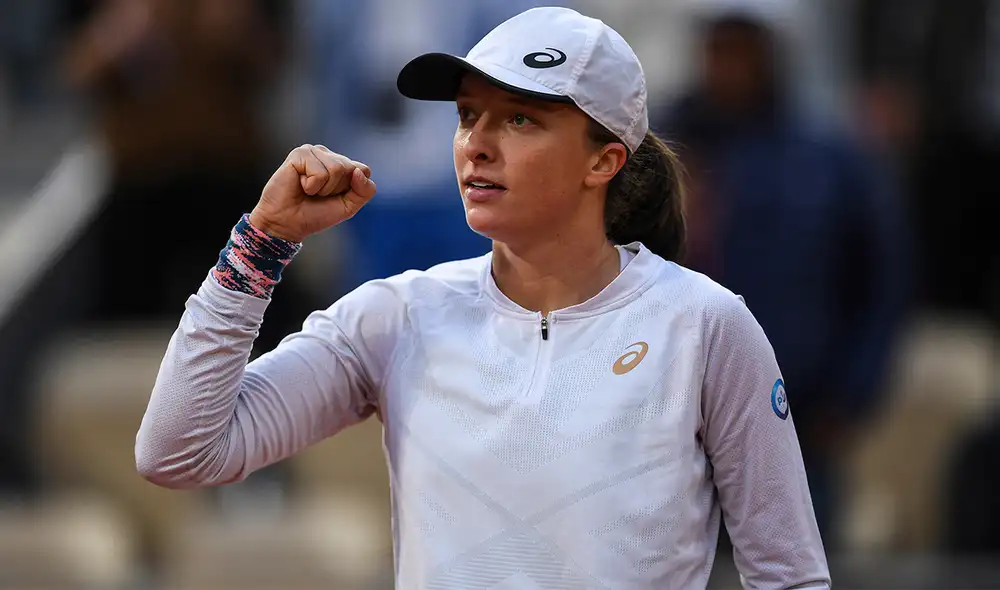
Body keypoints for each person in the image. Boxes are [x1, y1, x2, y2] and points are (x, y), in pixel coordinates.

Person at [136, 7, 830, 588]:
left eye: (520, 120)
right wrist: (261, 243)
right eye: (469, 116)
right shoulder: (397, 315)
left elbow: (790, 575)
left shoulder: (706, 324)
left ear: (604, 159)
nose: (477, 145)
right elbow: (177, 452)